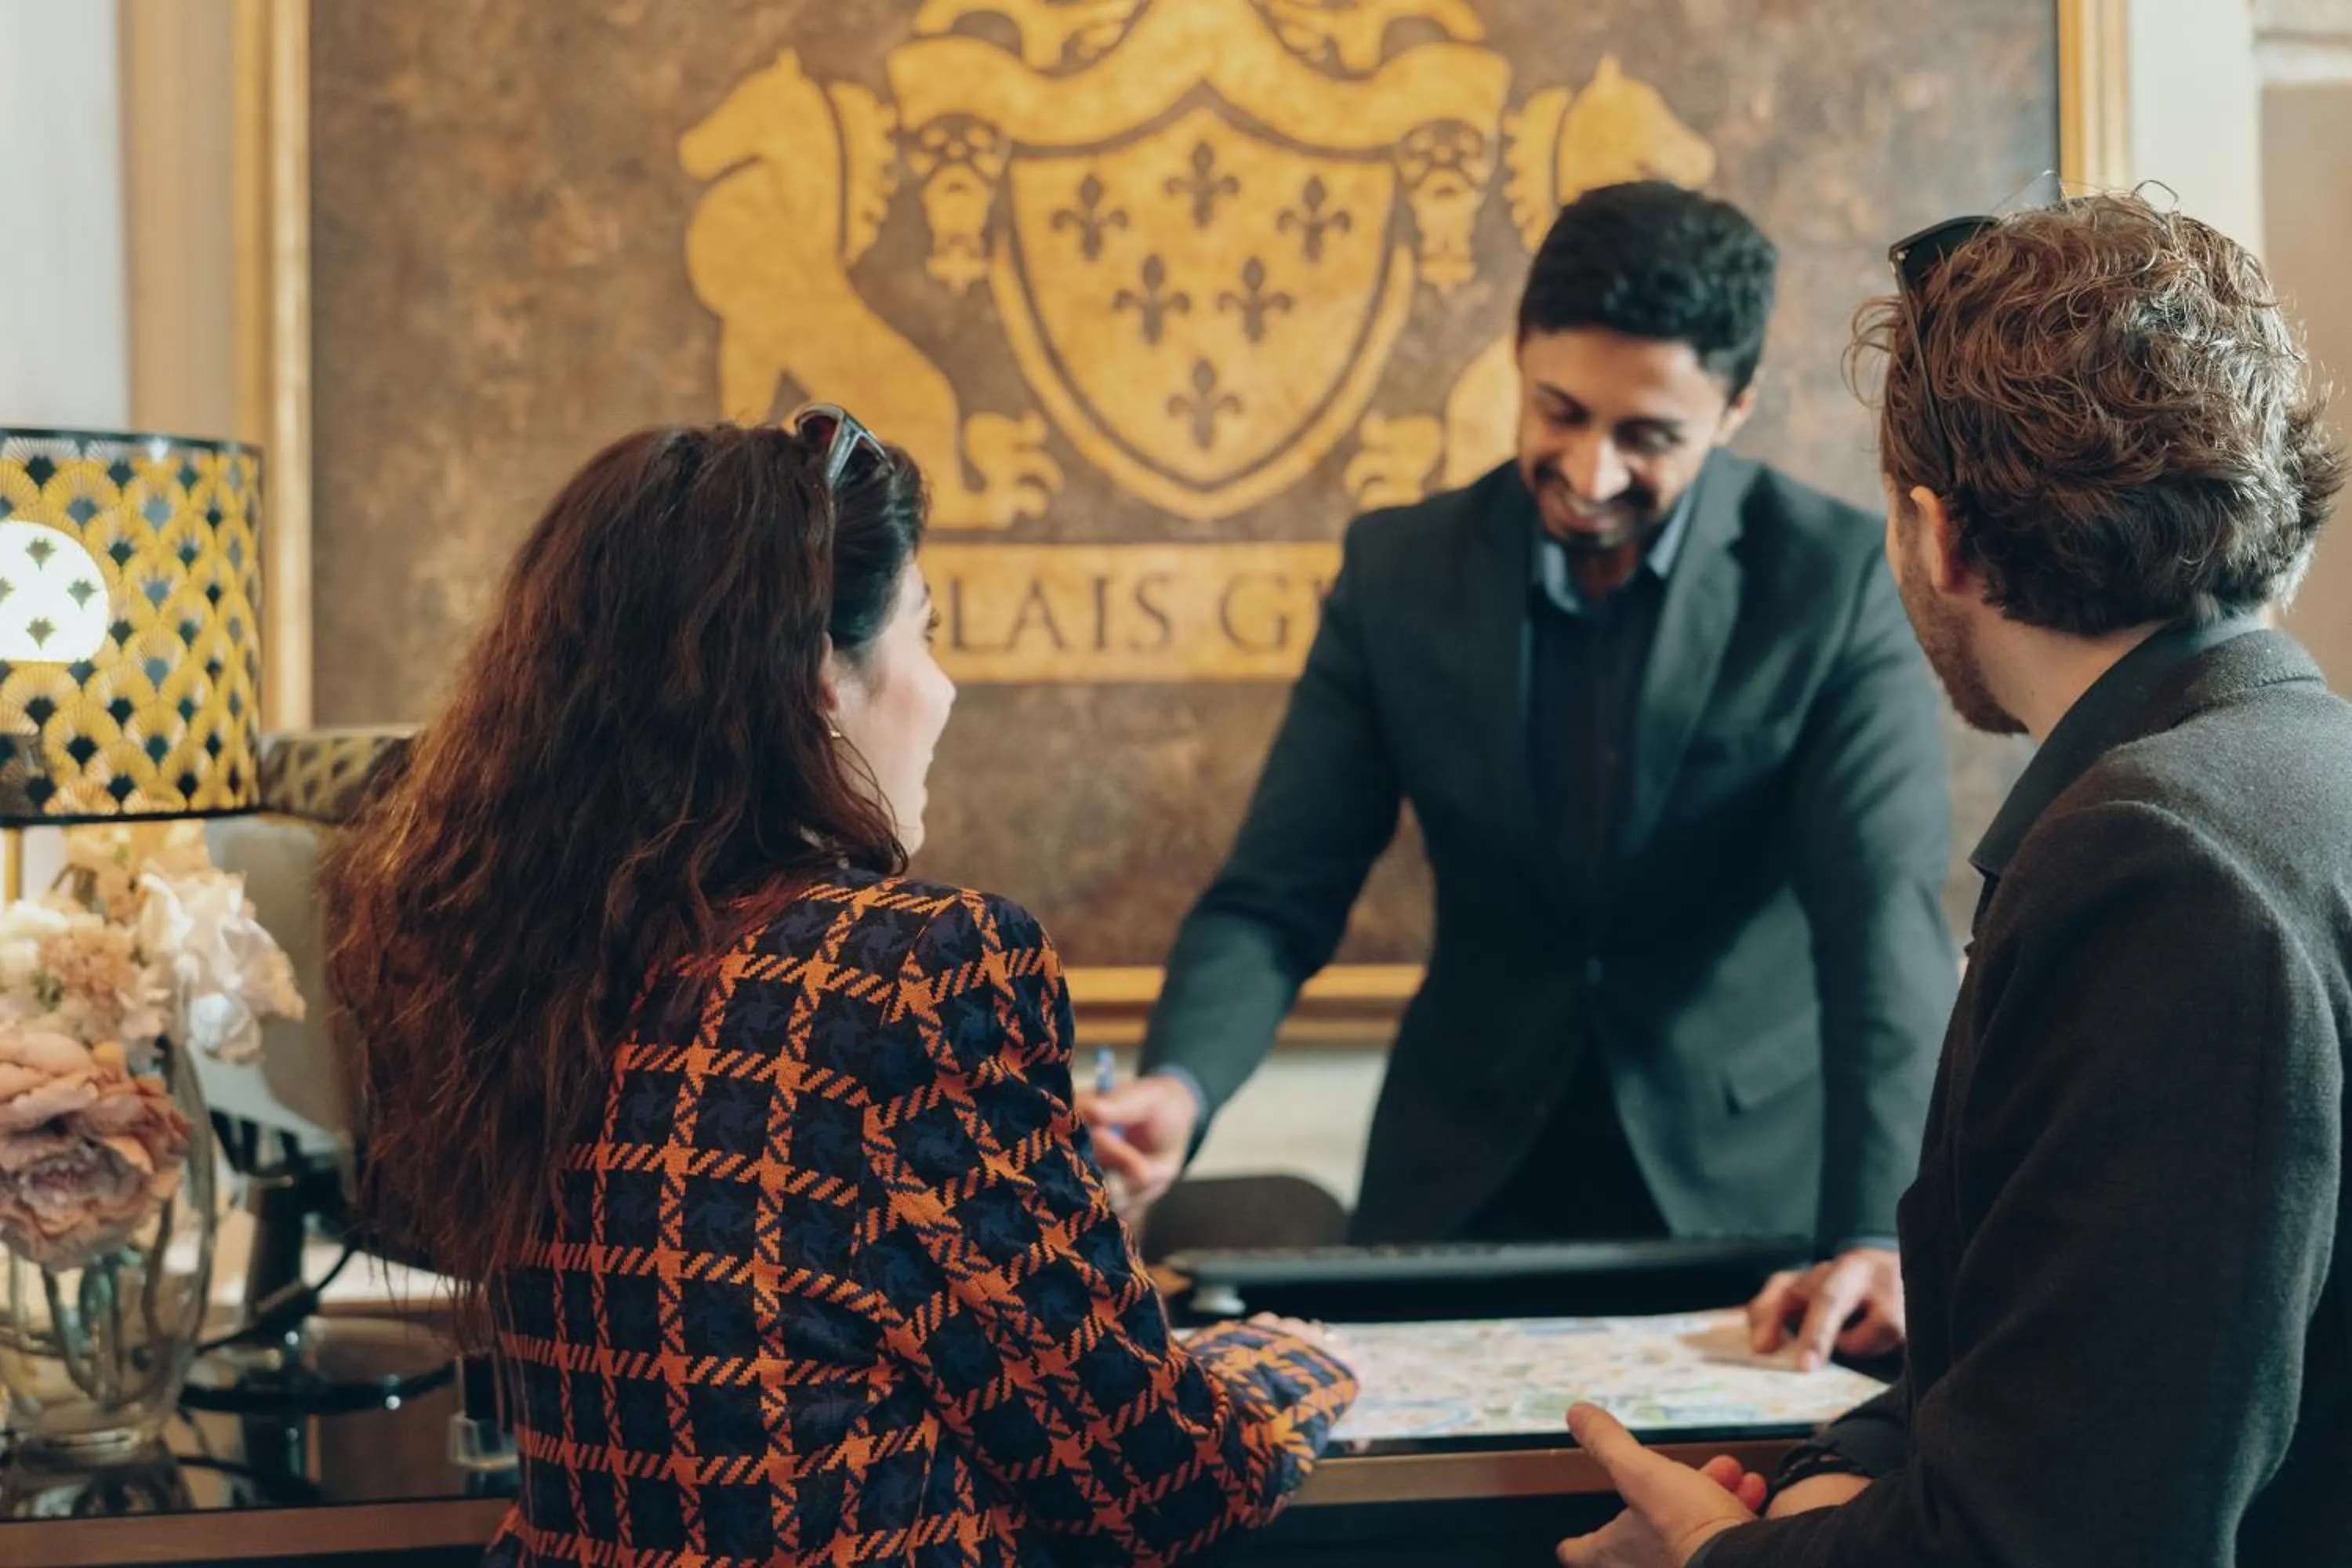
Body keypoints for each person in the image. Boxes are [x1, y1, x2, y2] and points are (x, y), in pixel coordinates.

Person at [321, 415, 1357, 1565]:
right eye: (925, 633)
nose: (945, 691)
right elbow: (1158, 1481)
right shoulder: (912, 972)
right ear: (821, 673)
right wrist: (1294, 1363)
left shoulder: (522, 967)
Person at [1557, 191, 2352, 1566]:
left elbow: (2064, 1541)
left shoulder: (2154, 863)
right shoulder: (2297, 778)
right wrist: (1835, 1480)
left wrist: (1715, 1555)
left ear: (1942, 538)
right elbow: (2071, 1372)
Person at [1087, 180, 1957, 1363]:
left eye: (1649, 436)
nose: (1591, 475)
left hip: (1749, 1207)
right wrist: (1180, 1087)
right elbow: (1275, 895)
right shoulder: (1397, 574)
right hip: (1455, 1191)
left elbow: (1881, 932)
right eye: (1559, 411)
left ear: (1737, 405)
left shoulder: (1837, 585)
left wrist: (1876, 1231)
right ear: (1517, 354)